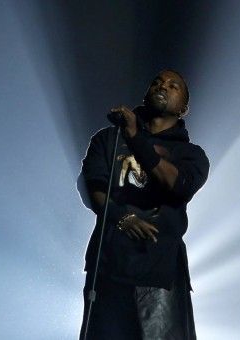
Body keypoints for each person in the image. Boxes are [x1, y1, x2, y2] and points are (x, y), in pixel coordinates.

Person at [76, 69, 210, 339]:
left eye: (173, 85)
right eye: (157, 82)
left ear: (183, 107)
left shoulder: (191, 155)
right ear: (146, 93)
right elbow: (91, 186)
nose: (163, 86)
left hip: (159, 277)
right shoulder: (109, 139)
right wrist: (121, 217)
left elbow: (178, 185)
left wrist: (136, 138)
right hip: (108, 267)